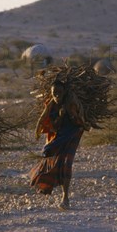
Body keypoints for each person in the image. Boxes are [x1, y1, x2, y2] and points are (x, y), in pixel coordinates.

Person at [30, 80, 85, 210]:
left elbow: (79, 122)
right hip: (59, 137)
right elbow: (51, 125)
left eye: (60, 93)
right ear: (51, 93)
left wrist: (69, 114)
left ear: (65, 92)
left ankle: (65, 197)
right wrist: (59, 117)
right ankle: (47, 185)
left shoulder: (71, 104)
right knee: (53, 160)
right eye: (55, 94)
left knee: (67, 163)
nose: (57, 96)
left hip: (73, 135)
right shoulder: (51, 106)